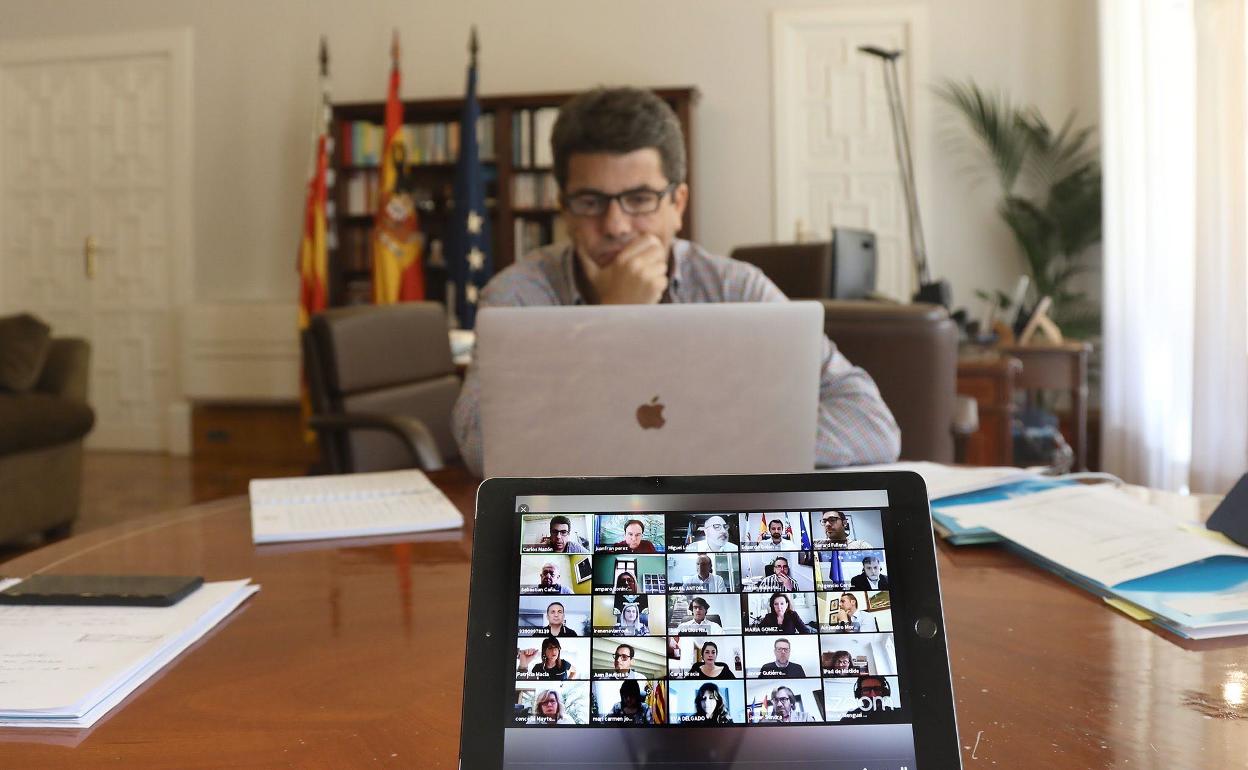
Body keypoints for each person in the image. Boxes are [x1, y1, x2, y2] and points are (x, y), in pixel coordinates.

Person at [450, 86, 900, 477]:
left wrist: (694, 443)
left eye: (640, 199)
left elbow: (870, 423)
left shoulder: (738, 291)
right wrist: (612, 322)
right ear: (564, 207)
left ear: (678, 203)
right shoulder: (515, 297)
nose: (616, 225)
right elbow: (482, 445)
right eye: (590, 201)